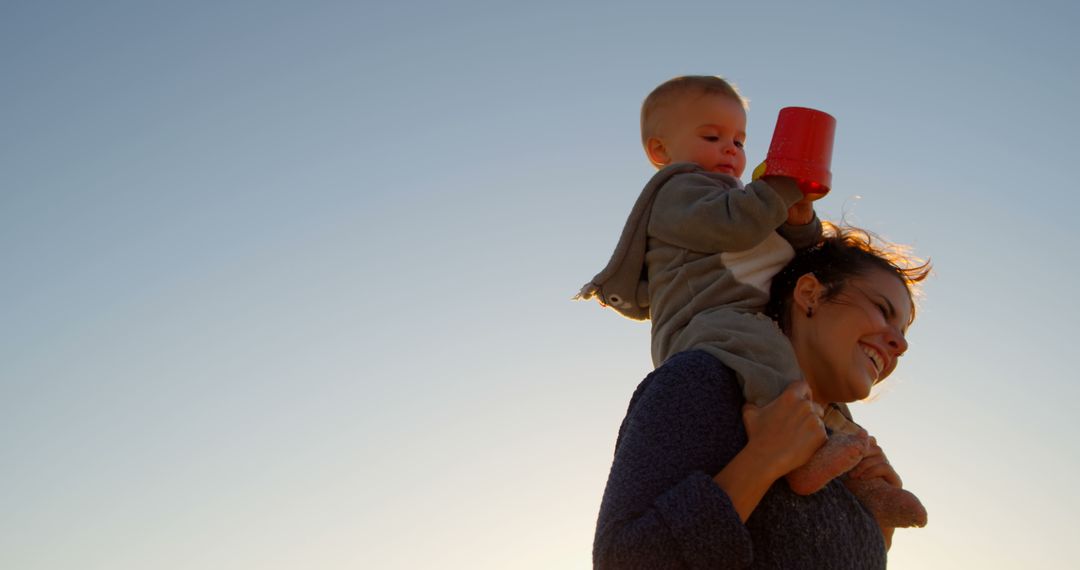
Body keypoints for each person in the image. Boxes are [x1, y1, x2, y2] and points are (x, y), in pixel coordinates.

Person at [576, 75, 863, 494]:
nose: (731, 148)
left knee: (819, 386)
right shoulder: (677, 191)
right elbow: (732, 226)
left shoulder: (746, 199)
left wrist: (799, 216)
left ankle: (866, 478)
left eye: (740, 141)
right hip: (706, 321)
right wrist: (780, 186)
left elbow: (794, 248)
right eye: (713, 136)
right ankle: (789, 443)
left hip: (749, 316)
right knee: (768, 354)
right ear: (661, 150)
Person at [592, 224, 931, 568]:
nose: (900, 345)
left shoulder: (844, 460)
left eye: (902, 334)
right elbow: (623, 562)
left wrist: (876, 534)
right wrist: (763, 460)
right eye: (881, 309)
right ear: (810, 294)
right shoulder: (704, 381)